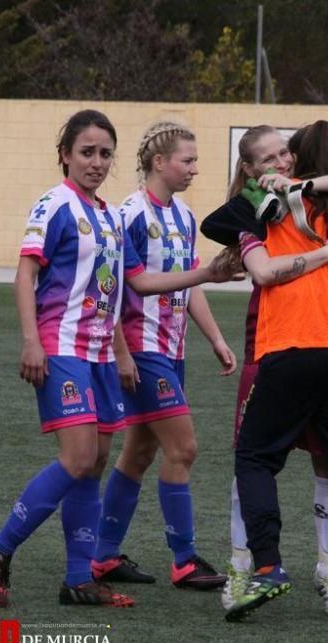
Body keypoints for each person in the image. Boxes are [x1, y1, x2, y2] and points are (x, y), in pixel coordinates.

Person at [0, 110, 237, 609]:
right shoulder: (54, 205)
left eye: (104, 154)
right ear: (65, 155)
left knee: (95, 463)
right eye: (86, 152)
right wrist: (31, 341)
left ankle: (80, 578)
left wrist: (121, 348)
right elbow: (24, 275)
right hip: (62, 346)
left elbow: (131, 285)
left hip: (99, 354)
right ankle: (1, 545)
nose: (97, 162)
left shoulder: (108, 216)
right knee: (77, 457)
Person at [221, 119, 328, 622]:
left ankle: (266, 566)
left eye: (285, 154)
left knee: (254, 457)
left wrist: (281, 189)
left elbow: (232, 236)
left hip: (295, 343)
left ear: (297, 158)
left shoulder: (272, 206)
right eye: (271, 158)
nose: (282, 163)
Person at [89, 122, 235, 592]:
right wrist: (122, 352)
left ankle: (103, 556)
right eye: (187, 160)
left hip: (172, 350)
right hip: (142, 349)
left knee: (140, 451)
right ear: (159, 163)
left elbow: (191, 281)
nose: (194, 168)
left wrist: (214, 336)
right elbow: (112, 287)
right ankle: (185, 559)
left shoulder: (186, 218)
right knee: (184, 448)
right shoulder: (130, 214)